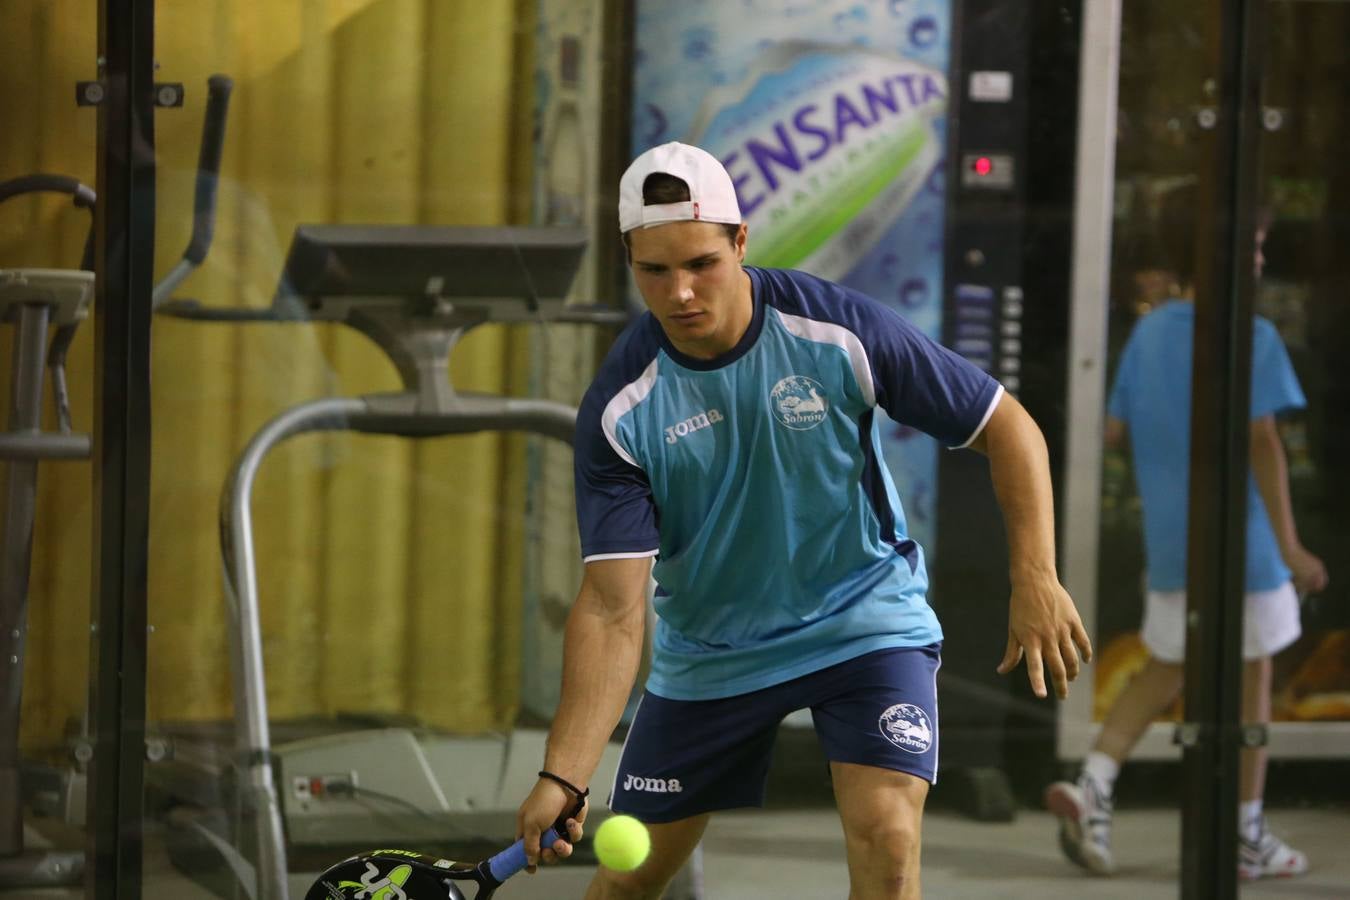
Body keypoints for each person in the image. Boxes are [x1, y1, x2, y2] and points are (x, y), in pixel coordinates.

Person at [515, 141, 1093, 900]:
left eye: (701, 264)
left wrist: (1036, 574)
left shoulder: (834, 329)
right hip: (713, 651)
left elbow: (1005, 424)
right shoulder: (623, 408)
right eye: (654, 271)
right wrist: (566, 772)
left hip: (862, 618)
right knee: (631, 878)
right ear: (629, 260)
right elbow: (613, 608)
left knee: (888, 837)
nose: (680, 293)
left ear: (741, 242)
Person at [1046, 190, 1330, 881]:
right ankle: (1245, 832)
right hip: (1248, 548)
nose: (1261, 259)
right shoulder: (1251, 336)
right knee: (1252, 681)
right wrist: (1293, 548)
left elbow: (1117, 430)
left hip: (1175, 542)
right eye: (1256, 247)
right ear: (1229, 255)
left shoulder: (1149, 333)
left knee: (1167, 668)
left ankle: (1096, 782)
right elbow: (1264, 442)